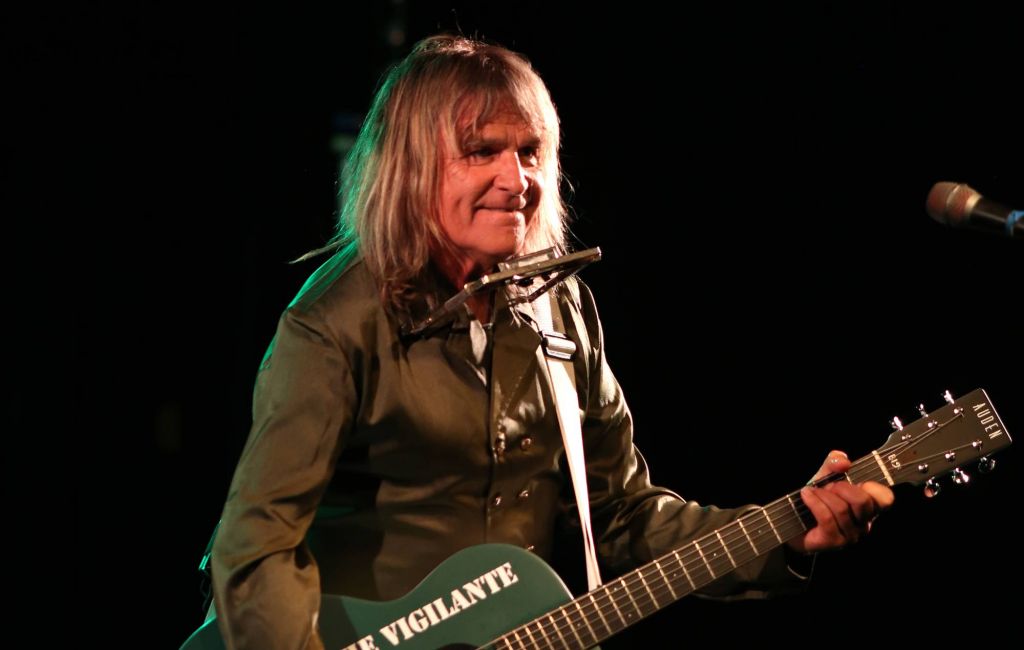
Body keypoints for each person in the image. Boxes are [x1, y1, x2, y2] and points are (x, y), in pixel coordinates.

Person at [209, 34, 894, 650]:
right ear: (413, 166)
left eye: (530, 151)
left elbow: (625, 516)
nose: (518, 181)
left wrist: (788, 532)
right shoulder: (334, 323)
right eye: (483, 152)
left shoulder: (559, 312)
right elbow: (253, 548)